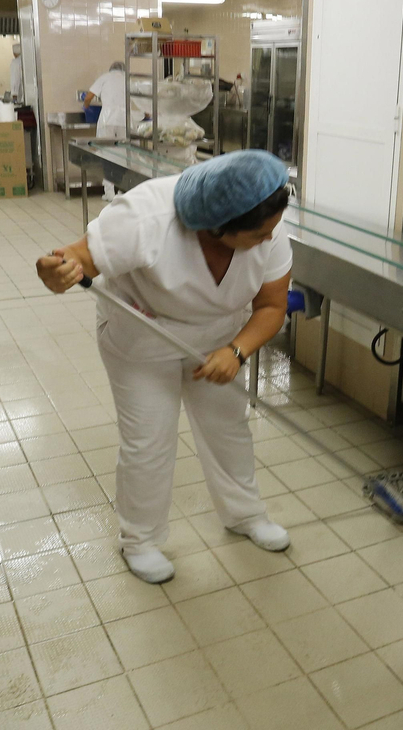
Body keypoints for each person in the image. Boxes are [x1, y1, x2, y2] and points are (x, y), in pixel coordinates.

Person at [35, 150, 294, 583]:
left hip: (220, 340)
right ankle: (140, 540)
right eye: (258, 235)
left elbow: (271, 306)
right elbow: (74, 259)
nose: (269, 240)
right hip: (143, 336)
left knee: (229, 428)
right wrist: (55, 271)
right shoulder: (146, 216)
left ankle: (245, 514)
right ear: (218, 227)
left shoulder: (268, 225)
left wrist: (236, 352)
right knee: (149, 440)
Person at [84, 61, 128, 140]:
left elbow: (88, 97)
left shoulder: (104, 77)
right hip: (125, 120)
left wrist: (86, 107)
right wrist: (147, 115)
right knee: (125, 145)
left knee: (105, 145)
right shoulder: (128, 79)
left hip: (107, 119)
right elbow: (140, 98)